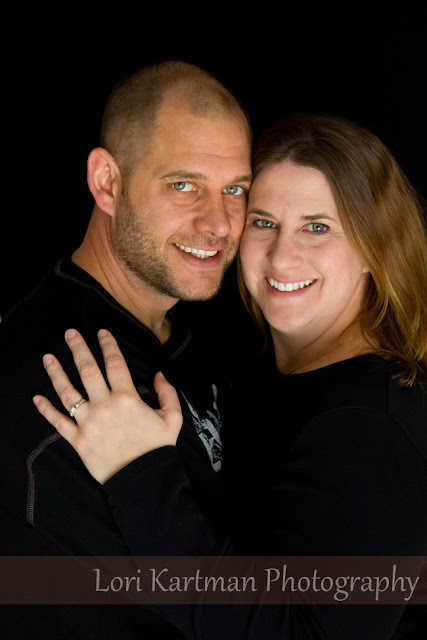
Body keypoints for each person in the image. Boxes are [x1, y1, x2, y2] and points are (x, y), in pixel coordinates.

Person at [34, 113, 427, 639]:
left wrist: (138, 472)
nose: (283, 256)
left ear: (374, 248)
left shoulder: (368, 428)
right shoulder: (259, 364)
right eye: (263, 222)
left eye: (317, 227)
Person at [0, 61, 252, 639]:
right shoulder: (60, 387)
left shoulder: (189, 335)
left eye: (235, 190)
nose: (218, 224)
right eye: (184, 185)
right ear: (107, 182)